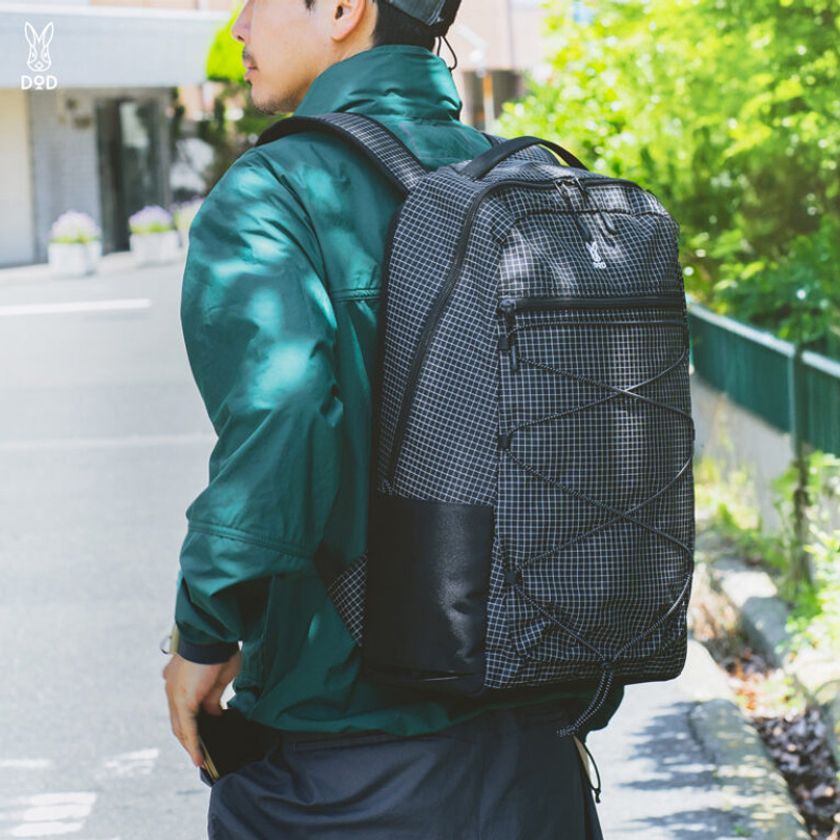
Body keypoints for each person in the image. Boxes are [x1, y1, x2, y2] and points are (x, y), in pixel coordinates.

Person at [162, 1, 623, 836]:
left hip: (346, 772)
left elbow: (285, 411)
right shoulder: (533, 185)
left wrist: (204, 633)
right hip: (539, 762)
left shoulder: (274, 191)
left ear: (344, 9)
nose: (239, 27)